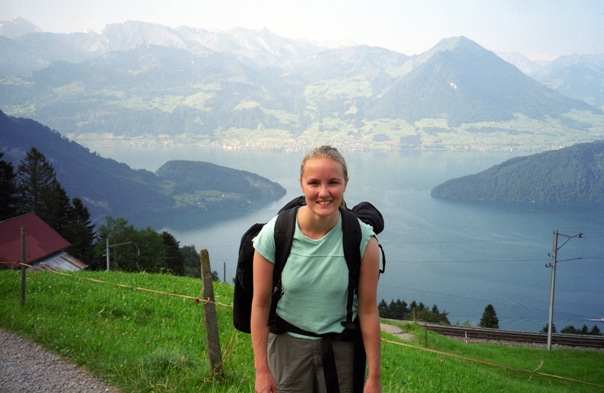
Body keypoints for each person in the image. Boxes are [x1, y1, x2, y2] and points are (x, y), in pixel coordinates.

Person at [251, 145, 382, 393]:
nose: (324, 192)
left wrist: (373, 378)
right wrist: (261, 371)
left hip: (342, 351)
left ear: (345, 183)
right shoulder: (275, 233)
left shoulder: (363, 240)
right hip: (286, 349)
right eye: (314, 183)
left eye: (333, 182)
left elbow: (367, 310)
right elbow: (260, 304)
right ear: (301, 184)